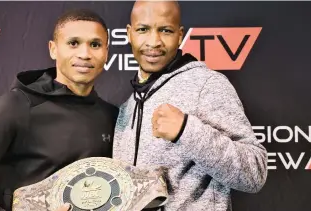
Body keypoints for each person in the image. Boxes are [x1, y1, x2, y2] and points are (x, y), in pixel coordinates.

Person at [0, 9, 118, 211]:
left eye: (95, 45)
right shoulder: (17, 106)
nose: (85, 54)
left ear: (106, 53)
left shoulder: (111, 116)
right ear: (53, 49)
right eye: (73, 43)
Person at [112, 1, 268, 210]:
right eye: (143, 30)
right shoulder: (128, 106)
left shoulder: (206, 84)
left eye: (165, 30)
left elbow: (254, 174)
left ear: (179, 35)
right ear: (130, 34)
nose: (154, 41)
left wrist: (186, 131)